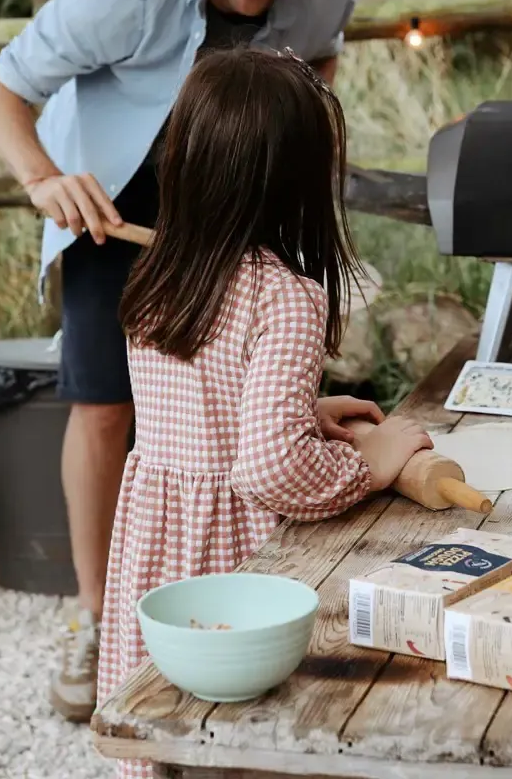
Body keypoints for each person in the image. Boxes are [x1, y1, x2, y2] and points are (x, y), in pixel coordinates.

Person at [0, 0, 363, 721]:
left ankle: (257, 595)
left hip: (242, 178)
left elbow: (322, 65)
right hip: (118, 190)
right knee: (109, 402)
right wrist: (42, 178)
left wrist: (304, 149)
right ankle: (98, 616)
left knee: (257, 387)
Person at [97, 50, 433, 779]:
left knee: (174, 723)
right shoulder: (284, 296)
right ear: (300, 182)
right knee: (252, 735)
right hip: (233, 558)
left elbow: (196, 405)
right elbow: (267, 466)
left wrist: (302, 409)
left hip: (161, 541)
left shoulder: (159, 277)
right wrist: (371, 464)